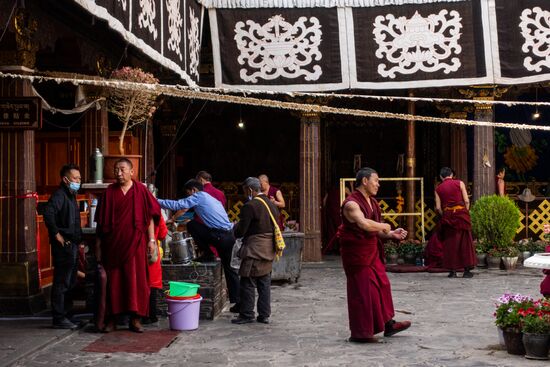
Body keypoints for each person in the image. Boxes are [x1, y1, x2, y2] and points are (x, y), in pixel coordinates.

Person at [337, 167, 411, 343]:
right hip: (357, 255)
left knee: (382, 285)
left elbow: (375, 231)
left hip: (371, 252)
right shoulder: (351, 204)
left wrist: (391, 233)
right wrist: (384, 226)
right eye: (376, 181)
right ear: (364, 181)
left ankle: (388, 324)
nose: (378, 184)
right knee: (363, 291)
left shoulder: (373, 202)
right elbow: (364, 225)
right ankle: (361, 332)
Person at [95, 158, 161, 333]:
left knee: (137, 281)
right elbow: (101, 226)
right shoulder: (109, 193)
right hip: (113, 246)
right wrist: (99, 248)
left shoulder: (141, 191)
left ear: (132, 172)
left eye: (122, 169)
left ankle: (135, 319)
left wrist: (152, 240)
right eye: (116, 170)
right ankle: (112, 319)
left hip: (136, 245)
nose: (118, 173)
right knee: (113, 284)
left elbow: (149, 219)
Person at [157, 179, 240, 310]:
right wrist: (174, 219)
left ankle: (207, 254)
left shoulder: (199, 197)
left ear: (194, 190)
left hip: (220, 236)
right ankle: (238, 302)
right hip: (228, 236)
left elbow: (178, 205)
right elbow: (184, 210)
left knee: (192, 225)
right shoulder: (210, 198)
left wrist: (155, 201)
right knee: (230, 269)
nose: (189, 196)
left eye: (188, 193)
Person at [232, 177, 278, 325]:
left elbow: (240, 231)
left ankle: (247, 314)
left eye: (245, 191)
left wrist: (234, 227)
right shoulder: (271, 204)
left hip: (254, 249)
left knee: (248, 281)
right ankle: (264, 315)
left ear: (250, 190)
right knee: (264, 282)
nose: (245, 194)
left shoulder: (250, 206)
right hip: (269, 248)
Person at [43, 164, 83, 329]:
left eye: (79, 179)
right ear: (66, 180)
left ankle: (67, 315)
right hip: (64, 245)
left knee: (71, 281)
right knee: (62, 281)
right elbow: (48, 213)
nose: (78, 181)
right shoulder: (59, 195)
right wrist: (56, 234)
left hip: (72, 244)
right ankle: (59, 317)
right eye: (75, 179)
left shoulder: (71, 195)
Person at [435, 167, 476, 278]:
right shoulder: (460, 183)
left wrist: (445, 215)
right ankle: (467, 270)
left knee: (450, 243)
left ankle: (452, 271)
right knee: (465, 242)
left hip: (448, 216)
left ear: (441, 177)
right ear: (452, 175)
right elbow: (466, 200)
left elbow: (438, 208)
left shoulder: (438, 188)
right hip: (461, 215)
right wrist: (465, 212)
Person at [144, 186, 168, 325]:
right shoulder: (156, 210)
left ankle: (139, 315)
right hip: (152, 251)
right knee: (151, 284)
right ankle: (150, 315)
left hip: (139, 250)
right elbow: (163, 234)